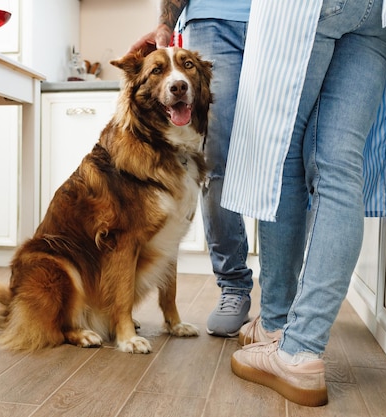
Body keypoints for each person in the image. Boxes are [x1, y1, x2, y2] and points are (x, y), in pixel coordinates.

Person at [220, 0, 386, 407]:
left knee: (280, 149)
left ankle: (276, 326)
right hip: (380, 12)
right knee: (339, 167)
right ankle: (301, 350)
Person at [129, 0, 254, 338]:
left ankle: (281, 297)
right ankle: (234, 286)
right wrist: (165, 28)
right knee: (215, 159)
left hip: (283, 19)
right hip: (213, 19)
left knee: (286, 158)